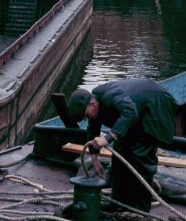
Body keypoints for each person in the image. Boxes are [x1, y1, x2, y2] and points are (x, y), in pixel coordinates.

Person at [68, 78, 178, 212]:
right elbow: (93, 128)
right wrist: (94, 158)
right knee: (119, 150)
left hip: (155, 108)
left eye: (86, 116)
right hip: (137, 114)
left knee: (140, 156)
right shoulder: (96, 103)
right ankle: (118, 202)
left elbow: (130, 112)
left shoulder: (110, 96)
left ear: (92, 104)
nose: (87, 119)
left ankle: (140, 210)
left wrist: (108, 138)